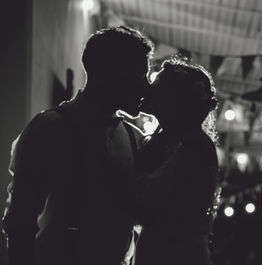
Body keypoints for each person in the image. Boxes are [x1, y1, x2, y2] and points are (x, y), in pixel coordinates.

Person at [1, 26, 154, 265]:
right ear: (107, 73)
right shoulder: (49, 129)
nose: (146, 87)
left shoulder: (135, 138)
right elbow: (20, 222)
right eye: (137, 75)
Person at [132, 57, 220, 265]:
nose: (149, 88)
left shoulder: (195, 145)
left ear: (174, 98)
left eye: (157, 84)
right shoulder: (166, 140)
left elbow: (147, 196)